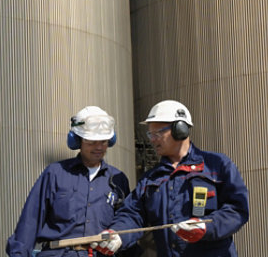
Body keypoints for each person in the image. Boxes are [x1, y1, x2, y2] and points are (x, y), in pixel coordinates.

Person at [92, 100, 250, 257]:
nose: (152, 140)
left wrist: (206, 227)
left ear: (180, 130)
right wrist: (118, 234)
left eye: (157, 133)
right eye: (150, 134)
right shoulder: (150, 179)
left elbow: (237, 210)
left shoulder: (216, 166)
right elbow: (133, 214)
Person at [6, 106, 138, 257]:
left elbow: (128, 218)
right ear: (77, 141)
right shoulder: (55, 173)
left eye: (103, 141)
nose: (98, 147)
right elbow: (30, 221)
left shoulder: (118, 179)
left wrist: (120, 237)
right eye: (91, 142)